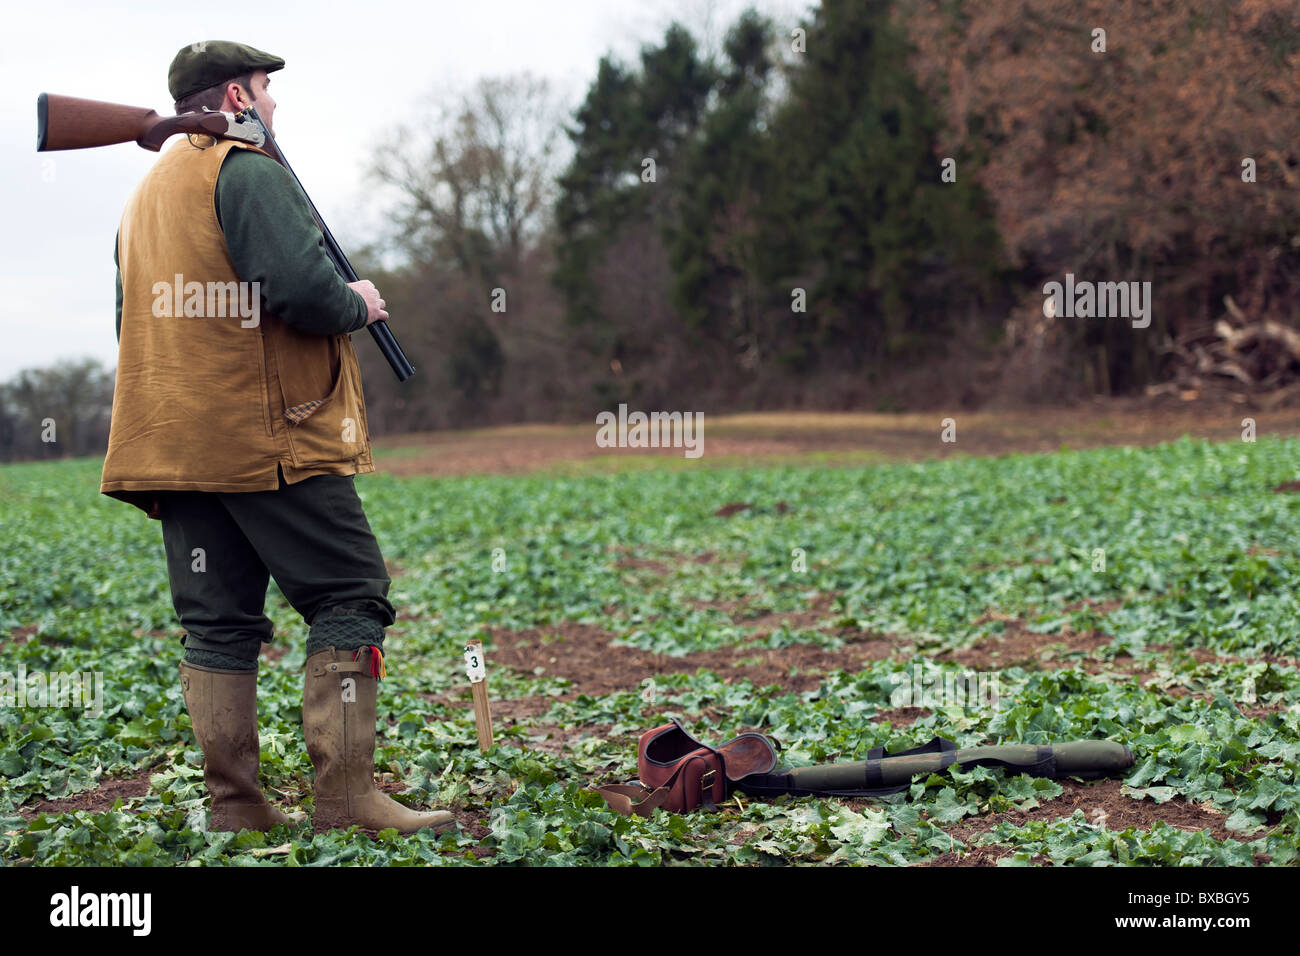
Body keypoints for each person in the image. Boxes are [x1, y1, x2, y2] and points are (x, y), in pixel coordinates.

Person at [101, 40, 452, 835]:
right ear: (236, 94)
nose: (274, 105)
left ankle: (237, 809)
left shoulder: (146, 195)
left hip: (175, 445)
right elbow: (299, 290)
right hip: (268, 440)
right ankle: (347, 801)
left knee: (218, 622)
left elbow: (130, 318)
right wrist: (356, 300)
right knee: (349, 593)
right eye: (266, 90)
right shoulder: (249, 170)